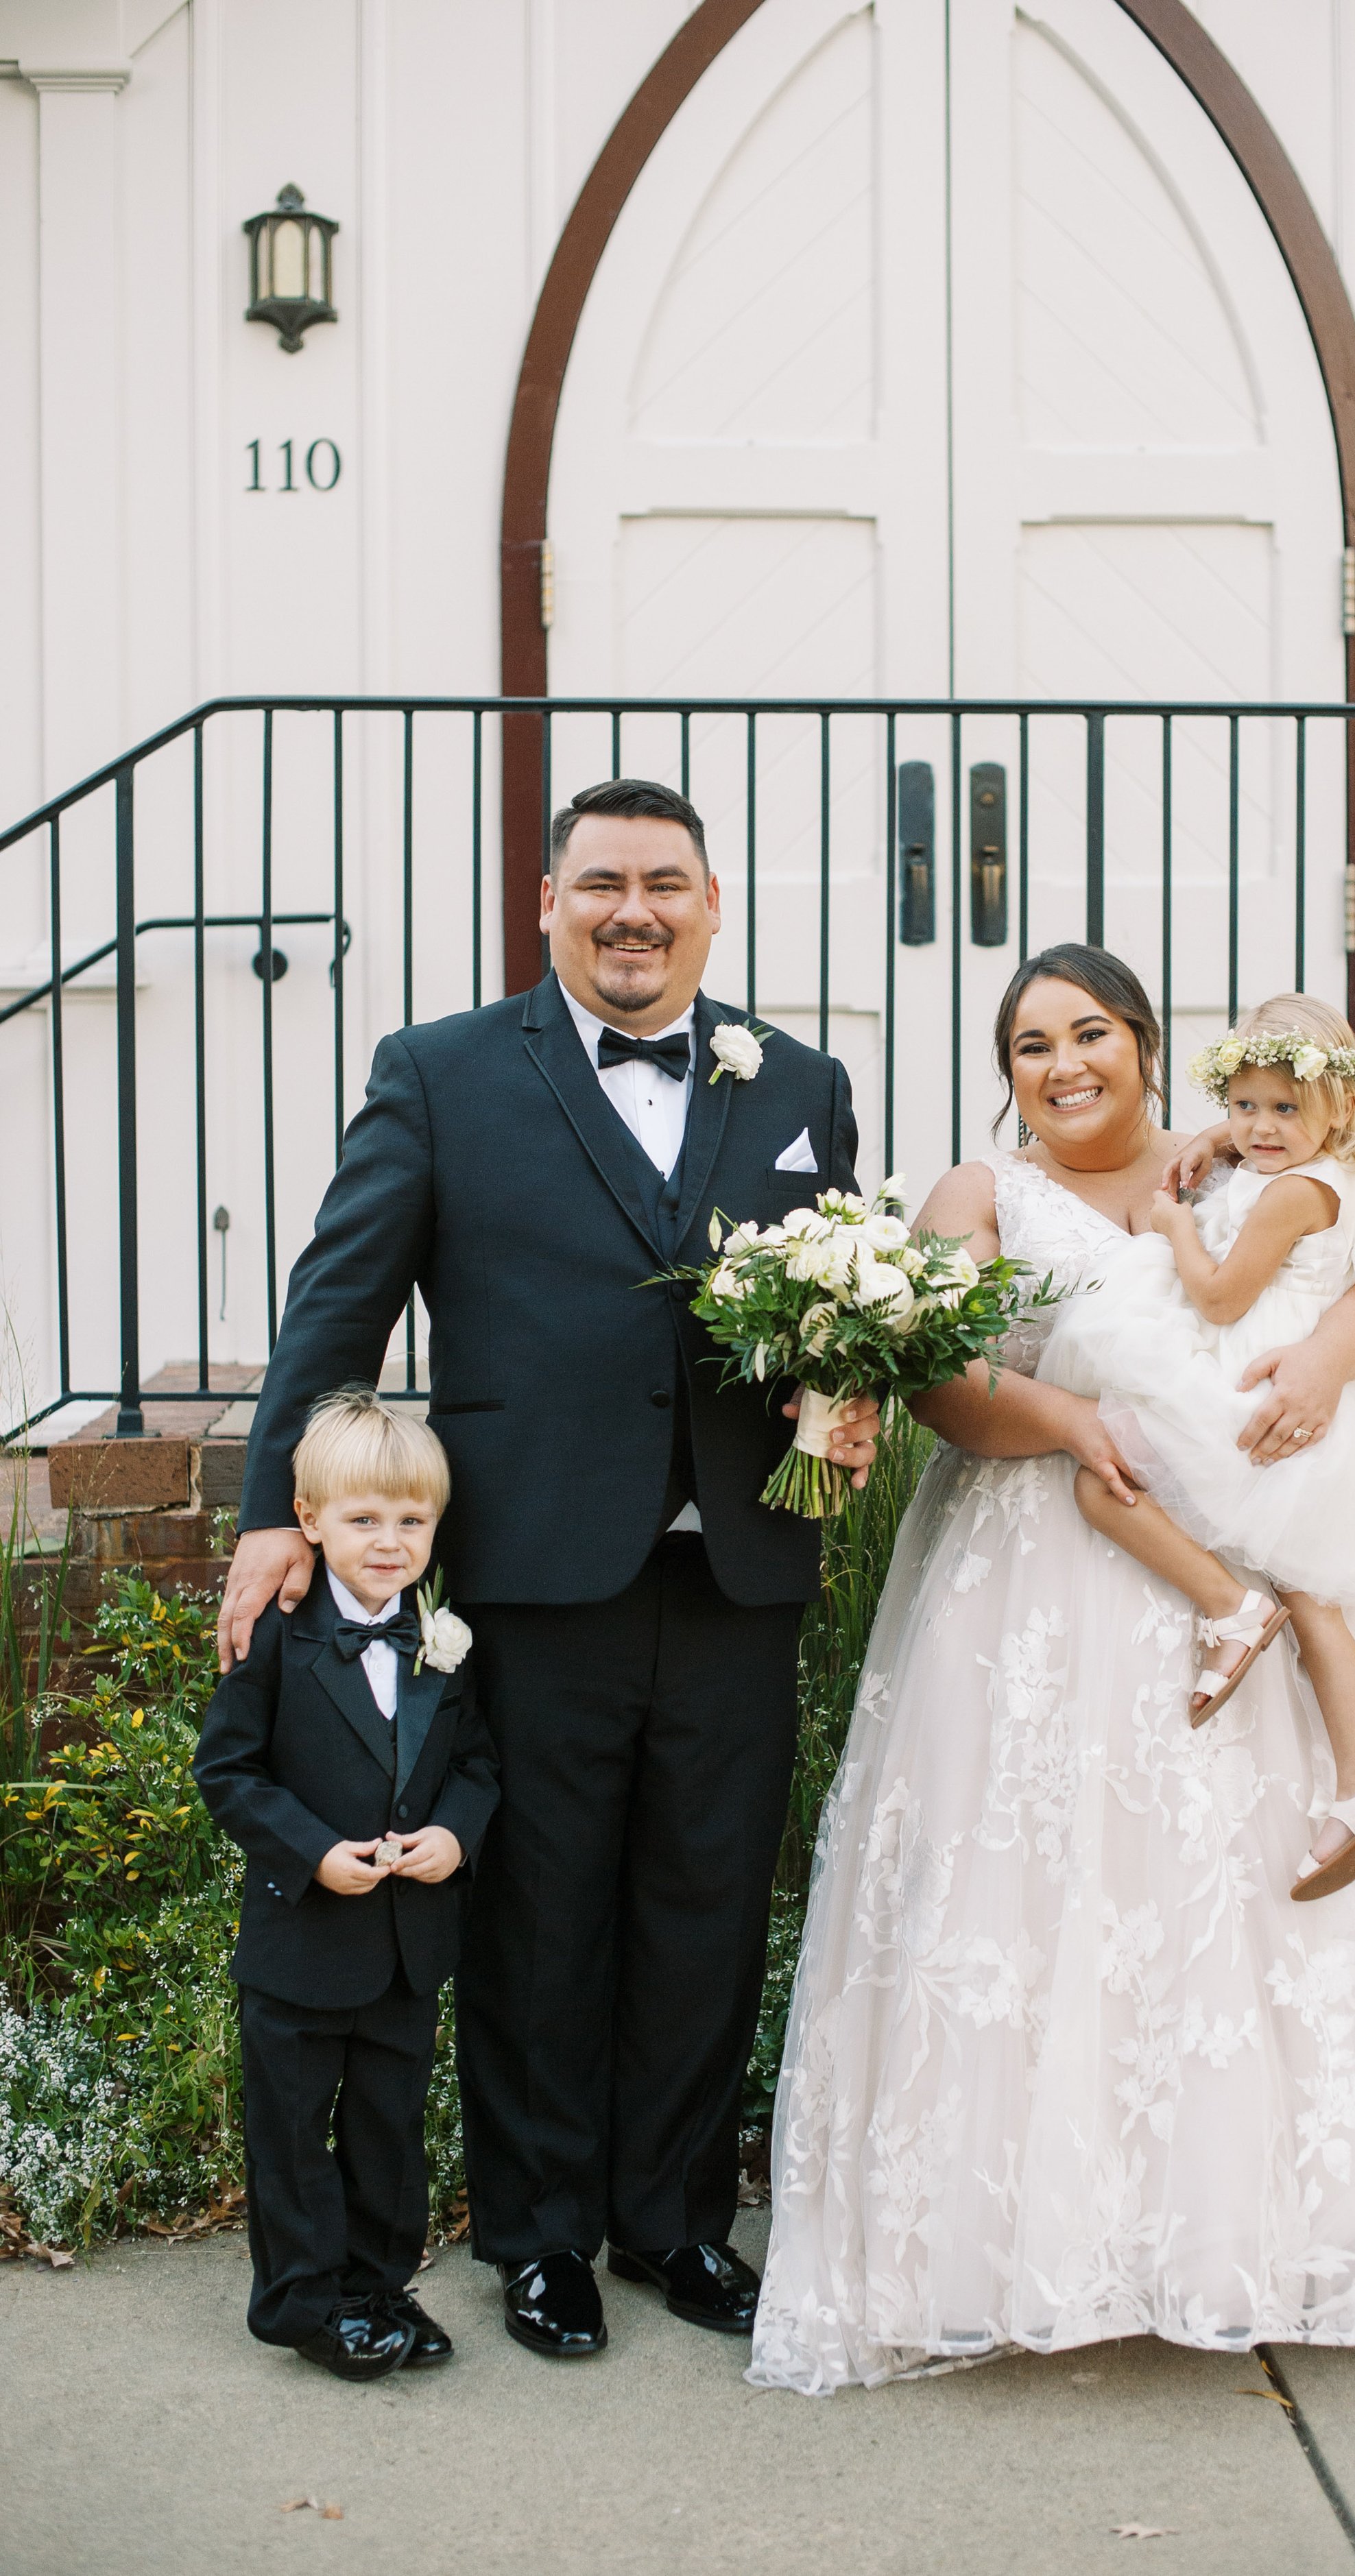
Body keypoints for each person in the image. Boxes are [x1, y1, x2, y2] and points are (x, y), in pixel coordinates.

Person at [747, 941, 1355, 2396]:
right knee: (1057, 1885)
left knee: (1257, 1880)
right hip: (1035, 1569)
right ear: (1003, 1070)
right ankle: (1061, 2240)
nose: (1063, 1064)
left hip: (1259, 1528)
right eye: (1029, 1045)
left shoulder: (1231, 1159)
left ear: (1144, 1044)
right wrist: (1071, 1429)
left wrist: (1332, 1356)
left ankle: (1297, 2227)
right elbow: (938, 1383)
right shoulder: (973, 1194)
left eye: (1090, 1033)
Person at [217, 776, 881, 2361]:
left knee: (705, 1907)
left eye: (664, 884)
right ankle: (537, 2237)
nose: (632, 911)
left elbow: (843, 1300)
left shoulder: (799, 1080)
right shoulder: (440, 1073)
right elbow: (339, 1304)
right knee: (537, 1911)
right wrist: (267, 1508)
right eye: (601, 884)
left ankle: (671, 2224)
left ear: (712, 905)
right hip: (531, 1568)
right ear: (547, 903)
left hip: (737, 1563)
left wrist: (844, 1387)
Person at [1064, 992, 1355, 1901]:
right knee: (1316, 1601)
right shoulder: (1329, 1182)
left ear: (1338, 1107)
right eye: (1244, 1104)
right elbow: (1273, 1131)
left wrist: (1171, 1228)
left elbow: (1216, 1298)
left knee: (1105, 1475)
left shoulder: (1288, 1195)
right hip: (1304, 1419)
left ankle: (1229, 1609)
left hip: (1248, 1394)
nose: (1259, 1124)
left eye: (1283, 1108)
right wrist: (1227, 1136)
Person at [194, 1391, 498, 2379]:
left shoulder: (439, 1637)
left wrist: (455, 1833)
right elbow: (229, 1772)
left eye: (412, 1522)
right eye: (364, 1520)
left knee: (388, 2132)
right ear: (311, 1519)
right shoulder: (275, 1636)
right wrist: (312, 1850)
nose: (389, 1541)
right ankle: (303, 2304)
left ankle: (378, 2288)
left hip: (404, 1951)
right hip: (300, 1948)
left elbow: (477, 1765)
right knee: (292, 2136)